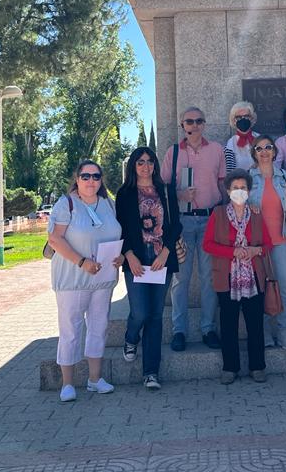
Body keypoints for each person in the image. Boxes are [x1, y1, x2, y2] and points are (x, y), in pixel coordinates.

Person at [47, 160, 125, 401]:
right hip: (73, 278)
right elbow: (55, 240)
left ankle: (94, 379)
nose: (91, 181)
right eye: (85, 176)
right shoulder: (67, 204)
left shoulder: (108, 204)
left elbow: (117, 234)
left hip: (102, 279)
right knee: (71, 329)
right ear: (77, 178)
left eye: (96, 176)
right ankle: (67, 383)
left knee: (99, 327)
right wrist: (82, 262)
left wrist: (120, 255)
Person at [160, 106, 227, 352]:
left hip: (210, 220)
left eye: (199, 121)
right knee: (181, 278)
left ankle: (208, 328)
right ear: (182, 126)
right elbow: (163, 189)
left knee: (210, 279)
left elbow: (223, 185)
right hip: (183, 223)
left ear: (204, 124)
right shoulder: (173, 152)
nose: (194, 125)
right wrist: (179, 194)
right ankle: (179, 330)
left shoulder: (217, 150)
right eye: (189, 121)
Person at [117, 147, 182, 390]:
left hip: (160, 258)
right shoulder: (125, 194)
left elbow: (176, 225)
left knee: (155, 315)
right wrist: (129, 255)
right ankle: (130, 337)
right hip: (136, 258)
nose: (146, 166)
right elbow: (120, 228)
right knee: (140, 312)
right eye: (140, 162)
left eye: (150, 161)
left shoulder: (166, 190)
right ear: (133, 166)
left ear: (155, 165)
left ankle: (151, 373)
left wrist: (166, 252)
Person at [203, 169, 274, 384]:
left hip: (253, 276)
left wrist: (256, 250)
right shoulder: (218, 214)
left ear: (249, 190)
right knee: (229, 322)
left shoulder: (257, 214)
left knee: (255, 323)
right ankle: (230, 367)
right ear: (228, 190)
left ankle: (257, 366)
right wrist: (232, 251)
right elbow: (207, 244)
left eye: (243, 188)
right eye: (235, 188)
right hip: (227, 277)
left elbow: (268, 244)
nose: (239, 191)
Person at [247, 133, 286, 349]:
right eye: (259, 148)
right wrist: (248, 207)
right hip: (258, 243)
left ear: (275, 151)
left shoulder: (285, 176)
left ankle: (284, 331)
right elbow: (236, 207)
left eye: (268, 147)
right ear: (254, 153)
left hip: (282, 238)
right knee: (261, 287)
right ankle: (265, 332)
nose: (264, 151)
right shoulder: (247, 178)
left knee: (284, 285)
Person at [225, 101, 286, 171]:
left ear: (252, 118)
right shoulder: (231, 144)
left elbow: (271, 162)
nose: (243, 119)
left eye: (246, 116)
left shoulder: (260, 139)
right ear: (233, 120)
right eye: (238, 117)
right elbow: (230, 171)